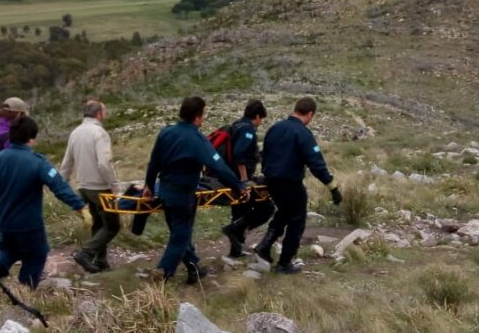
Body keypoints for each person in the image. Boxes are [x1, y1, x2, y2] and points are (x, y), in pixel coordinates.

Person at [144, 96, 246, 284]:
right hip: (183, 195)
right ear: (198, 116)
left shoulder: (166, 132)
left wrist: (149, 186)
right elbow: (219, 166)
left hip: (164, 191)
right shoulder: (197, 139)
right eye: (204, 114)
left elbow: (154, 163)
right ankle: (160, 277)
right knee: (180, 237)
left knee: (179, 231)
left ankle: (194, 269)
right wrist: (238, 185)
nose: (204, 118)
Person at [0, 116, 90, 289]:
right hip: (29, 225)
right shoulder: (37, 162)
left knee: (10, 250)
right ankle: (25, 290)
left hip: (5, 223)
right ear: (31, 139)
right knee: (37, 255)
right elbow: (59, 186)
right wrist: (80, 206)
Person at [256, 97, 342, 274]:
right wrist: (332, 187)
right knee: (297, 221)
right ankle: (284, 263)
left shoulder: (275, 128)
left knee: (284, 213)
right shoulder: (303, 133)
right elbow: (316, 164)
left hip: (271, 181)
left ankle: (264, 246)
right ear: (310, 114)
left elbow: (264, 154)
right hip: (290, 183)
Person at [60, 100, 122, 273]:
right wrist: (114, 186)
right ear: (99, 114)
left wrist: (62, 183)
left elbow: (67, 161)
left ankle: (101, 261)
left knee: (98, 223)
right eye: (104, 111)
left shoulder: (75, 132)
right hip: (100, 187)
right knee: (112, 225)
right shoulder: (99, 133)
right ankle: (85, 254)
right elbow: (104, 163)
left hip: (83, 187)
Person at [220, 99, 275, 258]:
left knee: (240, 210)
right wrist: (244, 181)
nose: (261, 122)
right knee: (267, 208)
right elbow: (239, 155)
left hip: (230, 177)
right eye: (261, 118)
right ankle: (234, 230)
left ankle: (235, 250)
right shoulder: (248, 129)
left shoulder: (236, 125)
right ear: (256, 116)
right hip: (240, 178)